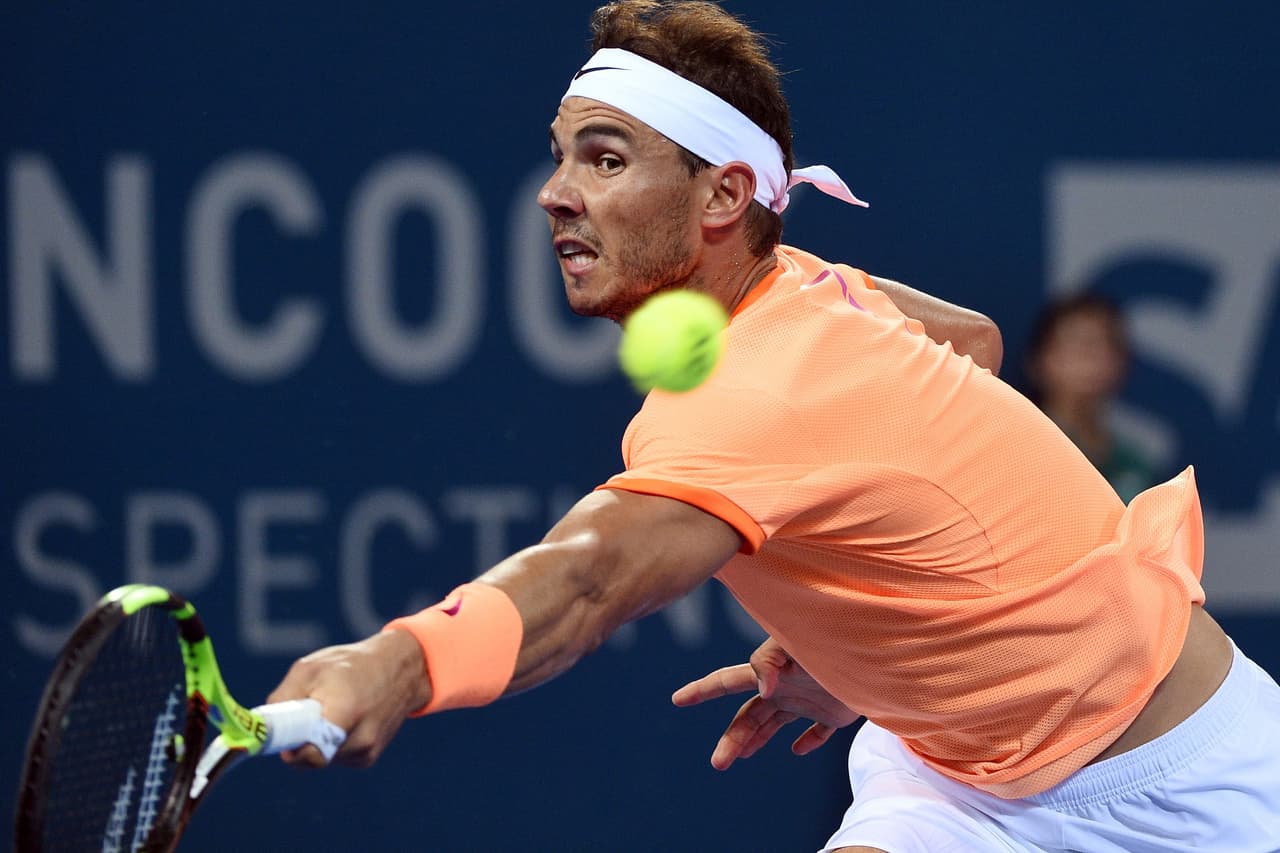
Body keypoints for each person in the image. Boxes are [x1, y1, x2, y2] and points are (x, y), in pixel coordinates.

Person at [268, 2, 1280, 851]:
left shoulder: (761, 391)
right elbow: (969, 342)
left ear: (721, 195)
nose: (555, 193)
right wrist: (880, 640)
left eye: (605, 159)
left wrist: (398, 663)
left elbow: (583, 581)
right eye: (561, 156)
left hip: (1192, 777)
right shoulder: (808, 289)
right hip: (953, 785)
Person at [1024, 292, 1160, 502]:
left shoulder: (1136, 465)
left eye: (1101, 342)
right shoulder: (1018, 450)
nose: (1088, 355)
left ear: (1120, 363)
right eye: (1075, 341)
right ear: (1040, 360)